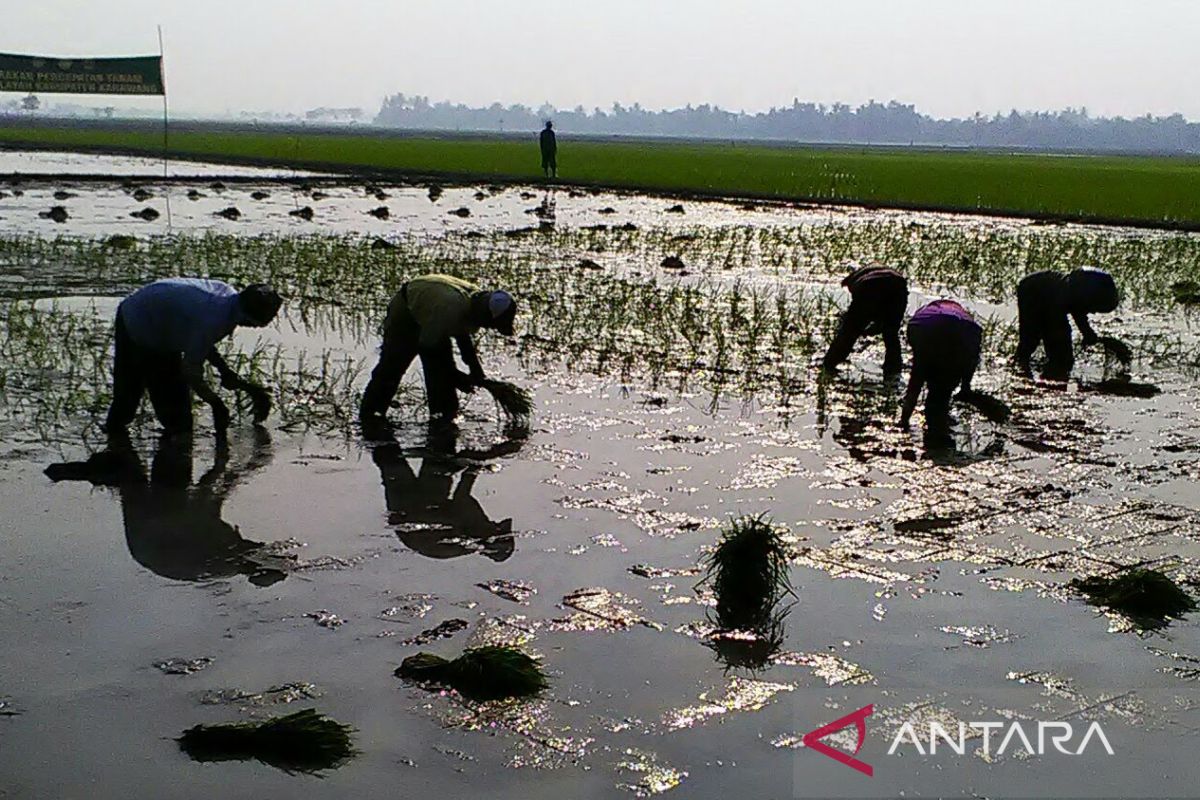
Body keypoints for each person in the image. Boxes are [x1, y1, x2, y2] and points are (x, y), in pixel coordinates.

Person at [45, 430, 288, 586]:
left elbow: (207, 498)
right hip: (156, 543)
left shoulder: (226, 555)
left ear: (259, 561)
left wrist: (227, 467)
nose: (262, 544)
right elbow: (207, 500)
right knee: (146, 478)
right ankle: (86, 470)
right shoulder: (228, 560)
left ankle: (81, 471)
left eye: (266, 551)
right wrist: (231, 470)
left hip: (153, 541)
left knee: (132, 476)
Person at [104, 278, 282, 436]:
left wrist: (224, 370)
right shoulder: (214, 317)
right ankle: (115, 455)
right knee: (149, 406)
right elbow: (190, 370)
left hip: (161, 316)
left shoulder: (228, 300)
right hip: (139, 319)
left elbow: (200, 340)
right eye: (258, 323)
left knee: (173, 412)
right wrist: (215, 403)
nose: (256, 328)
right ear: (250, 317)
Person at [359, 274, 517, 423]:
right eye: (491, 324)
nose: (489, 327)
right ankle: (370, 417)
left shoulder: (474, 301)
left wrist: (476, 371)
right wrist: (457, 377)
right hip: (407, 313)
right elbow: (427, 346)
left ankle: (442, 419)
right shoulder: (450, 307)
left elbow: (462, 334)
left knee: (442, 381)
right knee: (392, 368)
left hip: (433, 313)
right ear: (486, 315)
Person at [371, 423, 522, 561]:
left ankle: (374, 424)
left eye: (497, 527)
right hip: (422, 510)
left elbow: (462, 494)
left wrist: (477, 464)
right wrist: (473, 464)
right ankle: (439, 427)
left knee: (391, 457)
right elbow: (463, 493)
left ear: (493, 535)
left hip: (409, 512)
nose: (494, 522)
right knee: (438, 452)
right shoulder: (472, 538)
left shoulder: (473, 531)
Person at [1015, 267, 1130, 380]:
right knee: (1033, 338)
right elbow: (1076, 312)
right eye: (1096, 309)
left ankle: (1047, 372)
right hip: (1033, 291)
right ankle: (1020, 367)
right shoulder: (1077, 293)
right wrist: (1087, 333)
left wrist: (1087, 333)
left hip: (1048, 293)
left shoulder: (1086, 290)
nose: (1094, 312)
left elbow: (1078, 311)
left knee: (1062, 353)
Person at [900, 299, 983, 448]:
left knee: (933, 388)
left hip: (927, 328)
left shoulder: (922, 319)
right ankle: (939, 434)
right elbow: (971, 360)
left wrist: (904, 420)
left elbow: (916, 382)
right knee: (942, 392)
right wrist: (965, 387)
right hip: (960, 332)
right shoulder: (969, 327)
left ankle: (935, 430)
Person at [822, 265, 908, 374]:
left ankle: (829, 364)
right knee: (891, 333)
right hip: (899, 286)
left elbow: (862, 310)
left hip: (870, 285)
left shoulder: (855, 281)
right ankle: (893, 369)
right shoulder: (873, 270)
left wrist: (857, 325)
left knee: (848, 333)